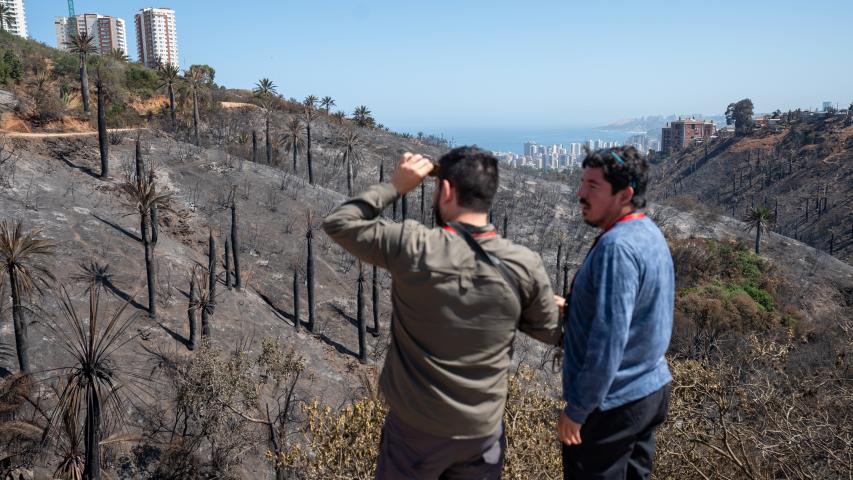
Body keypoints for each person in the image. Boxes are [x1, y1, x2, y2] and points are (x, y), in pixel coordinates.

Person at [323, 146, 562, 479]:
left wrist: (396, 185)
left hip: (414, 434)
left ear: (446, 190)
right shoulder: (524, 265)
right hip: (482, 437)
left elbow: (338, 223)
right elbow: (549, 332)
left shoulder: (414, 245)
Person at [557, 146, 674, 479]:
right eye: (582, 183)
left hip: (612, 402)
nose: (580, 194)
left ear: (625, 194)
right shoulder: (647, 233)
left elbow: (609, 339)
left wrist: (579, 410)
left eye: (593, 186)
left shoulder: (617, 247)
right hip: (648, 388)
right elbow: (637, 313)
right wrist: (572, 307)